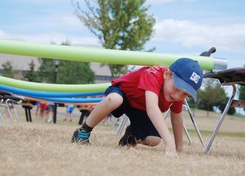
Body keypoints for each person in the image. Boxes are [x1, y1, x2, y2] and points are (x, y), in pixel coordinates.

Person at [71, 58, 203, 156]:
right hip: (123, 95)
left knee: (154, 140)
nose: (178, 95)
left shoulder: (177, 96)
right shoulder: (154, 74)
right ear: (167, 75)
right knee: (114, 99)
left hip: (141, 109)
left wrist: (178, 149)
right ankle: (83, 132)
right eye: (178, 87)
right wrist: (169, 143)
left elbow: (177, 119)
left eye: (185, 94)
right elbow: (152, 108)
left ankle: (130, 136)